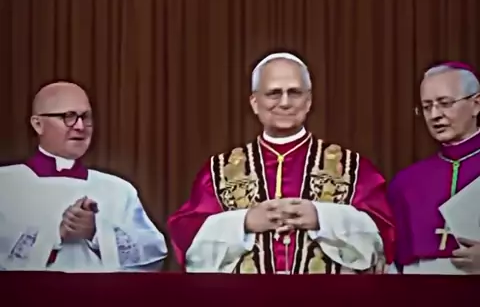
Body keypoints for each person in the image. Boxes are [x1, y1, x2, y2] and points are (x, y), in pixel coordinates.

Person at [167, 52, 395, 274]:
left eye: (294, 93)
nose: (285, 103)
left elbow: (383, 237)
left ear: (308, 101)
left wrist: (321, 217)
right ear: (255, 102)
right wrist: (244, 222)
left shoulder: (351, 168)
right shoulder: (219, 171)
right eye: (274, 93)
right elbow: (188, 242)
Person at [0, 81, 168, 272]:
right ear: (38, 124)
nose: (80, 126)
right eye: (68, 116)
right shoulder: (5, 185)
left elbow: (153, 256)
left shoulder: (118, 189)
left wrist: (96, 233)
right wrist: (54, 236)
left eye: (85, 117)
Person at [388, 62, 480, 274]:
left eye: (445, 103)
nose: (434, 115)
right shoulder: (406, 183)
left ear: (476, 104)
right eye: (427, 107)